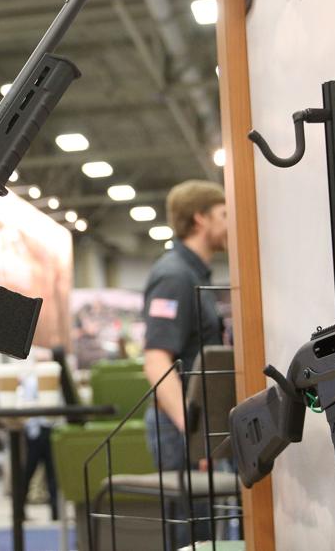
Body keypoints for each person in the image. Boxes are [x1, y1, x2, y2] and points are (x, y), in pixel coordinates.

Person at [140, 180, 228, 548]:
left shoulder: (195, 274)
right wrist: (194, 433)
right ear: (200, 219)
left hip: (196, 425)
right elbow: (156, 359)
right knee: (191, 535)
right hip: (181, 427)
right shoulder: (175, 276)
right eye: (224, 213)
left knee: (204, 532)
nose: (230, 221)